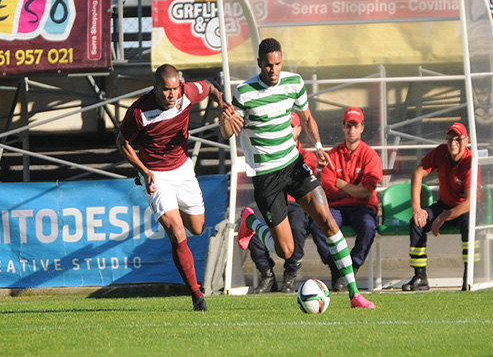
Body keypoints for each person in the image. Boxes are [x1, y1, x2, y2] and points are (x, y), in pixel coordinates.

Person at [220, 38, 375, 308]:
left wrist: (317, 146)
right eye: (268, 65)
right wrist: (225, 120)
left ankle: (354, 294)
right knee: (286, 251)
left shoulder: (294, 83)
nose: (274, 70)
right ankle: (251, 223)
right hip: (266, 174)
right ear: (259, 64)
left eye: (278, 64)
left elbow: (307, 118)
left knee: (328, 221)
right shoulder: (244, 93)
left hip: (293, 165)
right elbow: (227, 132)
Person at [117, 64, 232, 311]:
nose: (172, 95)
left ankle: (173, 212)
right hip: (155, 175)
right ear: (155, 87)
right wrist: (143, 171)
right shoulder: (139, 112)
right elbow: (123, 142)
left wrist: (221, 101)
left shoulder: (188, 93)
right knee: (178, 234)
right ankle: (197, 296)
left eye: (175, 89)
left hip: (182, 170)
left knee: (198, 228)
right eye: (166, 90)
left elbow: (211, 87)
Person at [248, 112, 333, 293]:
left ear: (299, 130)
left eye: (292, 126)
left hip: (296, 203)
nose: (288, 130)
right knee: (258, 226)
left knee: (296, 226)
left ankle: (291, 274)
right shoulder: (269, 152)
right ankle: (267, 274)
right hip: (274, 199)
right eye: (285, 126)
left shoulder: (306, 156)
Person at [309, 107, 383, 292]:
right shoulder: (332, 155)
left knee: (368, 226)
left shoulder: (370, 155)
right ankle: (336, 266)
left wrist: (341, 184)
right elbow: (326, 189)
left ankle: (353, 266)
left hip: (362, 207)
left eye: (355, 126)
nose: (352, 130)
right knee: (318, 225)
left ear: (362, 128)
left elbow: (366, 193)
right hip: (336, 207)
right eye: (348, 125)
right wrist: (353, 190)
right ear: (343, 127)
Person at [402, 122, 479, 292]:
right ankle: (420, 277)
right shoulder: (440, 151)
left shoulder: (470, 161)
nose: (453, 143)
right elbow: (417, 173)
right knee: (416, 222)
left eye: (457, 139)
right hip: (444, 205)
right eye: (450, 139)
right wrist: (417, 208)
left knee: (469, 225)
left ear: (466, 140)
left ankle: (469, 276)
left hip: (464, 209)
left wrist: (442, 218)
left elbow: (469, 202)